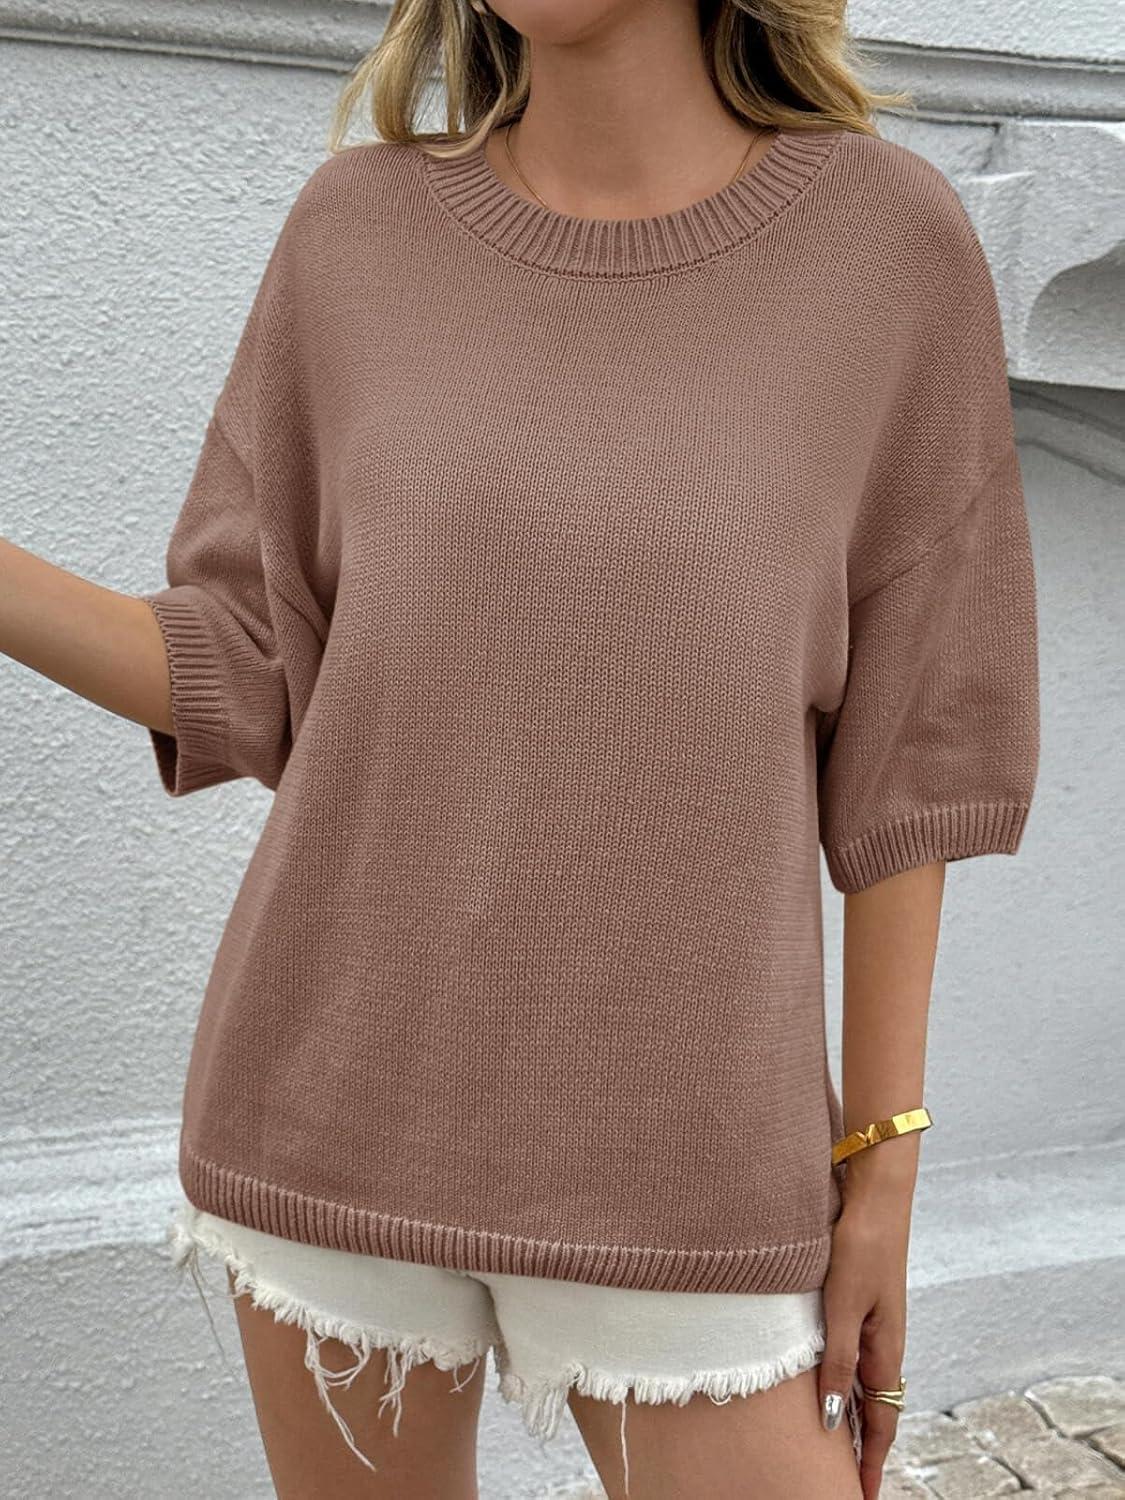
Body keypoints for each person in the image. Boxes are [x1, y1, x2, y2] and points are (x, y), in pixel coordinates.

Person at [1, 0, 1041, 1496]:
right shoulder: (354, 234)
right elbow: (249, 664)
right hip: (331, 1122)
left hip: (695, 1165)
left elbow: (917, 749)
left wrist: (879, 1174)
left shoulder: (887, 247)